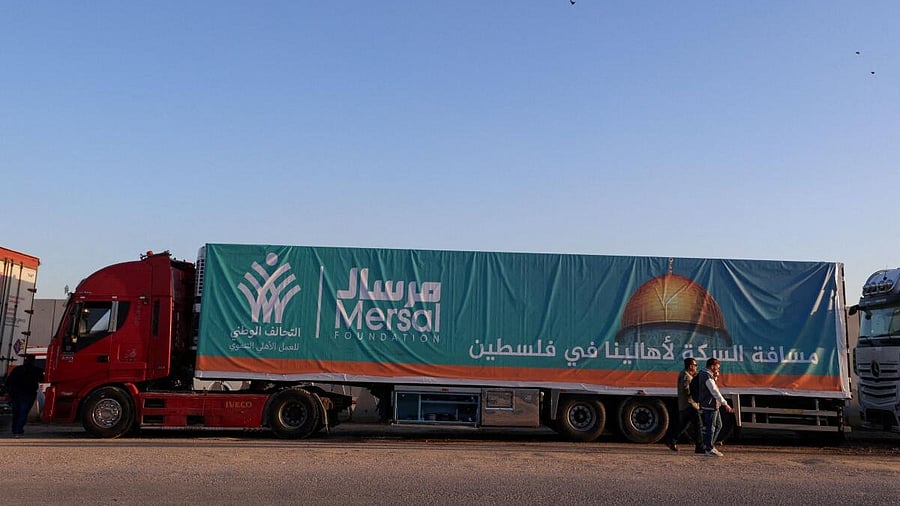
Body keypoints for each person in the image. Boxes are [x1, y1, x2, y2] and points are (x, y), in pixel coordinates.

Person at [664, 358, 703, 453]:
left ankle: (671, 440)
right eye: (695, 365)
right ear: (690, 366)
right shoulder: (686, 376)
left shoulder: (686, 375)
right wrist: (696, 395)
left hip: (685, 405)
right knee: (699, 425)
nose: (696, 367)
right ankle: (700, 447)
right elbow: (686, 389)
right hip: (689, 405)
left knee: (683, 425)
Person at [696, 357, 733, 457]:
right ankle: (709, 448)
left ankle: (710, 445)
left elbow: (713, 387)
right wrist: (725, 404)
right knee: (711, 427)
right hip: (710, 405)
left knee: (718, 425)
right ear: (712, 366)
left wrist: (715, 377)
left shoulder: (709, 376)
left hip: (714, 405)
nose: (718, 369)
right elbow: (714, 391)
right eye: (717, 367)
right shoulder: (706, 376)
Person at [6, 354, 44, 437]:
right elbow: (42, 379)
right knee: (23, 412)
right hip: (28, 394)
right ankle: (18, 430)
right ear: (33, 361)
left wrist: (9, 391)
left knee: (16, 411)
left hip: (16, 393)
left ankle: (15, 429)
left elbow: (9, 381)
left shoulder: (17, 369)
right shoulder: (37, 370)